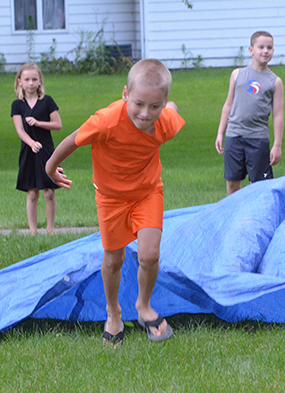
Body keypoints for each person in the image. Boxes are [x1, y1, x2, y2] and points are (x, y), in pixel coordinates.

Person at [45, 59, 185, 348]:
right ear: (125, 94)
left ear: (163, 103)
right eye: (138, 104)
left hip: (147, 193)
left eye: (155, 106)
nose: (145, 114)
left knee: (149, 255)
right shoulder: (106, 121)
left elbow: (173, 113)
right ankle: (113, 312)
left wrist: (169, 109)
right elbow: (72, 140)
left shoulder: (164, 121)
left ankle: (143, 307)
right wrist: (50, 167)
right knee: (114, 259)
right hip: (110, 199)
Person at [215, 31, 284, 195]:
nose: (265, 51)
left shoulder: (275, 81)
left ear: (273, 51)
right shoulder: (237, 74)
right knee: (232, 182)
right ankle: (234, 216)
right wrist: (220, 133)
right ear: (251, 49)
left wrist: (277, 145)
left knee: (259, 186)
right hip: (234, 136)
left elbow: (278, 115)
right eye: (261, 47)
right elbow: (228, 104)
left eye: (269, 47)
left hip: (258, 139)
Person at [11, 62, 62, 235]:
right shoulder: (17, 105)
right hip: (28, 152)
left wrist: (39, 123)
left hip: (46, 150)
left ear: (40, 81)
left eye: (34, 79)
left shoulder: (47, 102)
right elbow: (19, 130)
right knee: (32, 193)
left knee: (49, 191)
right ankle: (33, 232)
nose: (31, 83)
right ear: (20, 81)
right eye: (27, 79)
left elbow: (58, 125)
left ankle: (50, 230)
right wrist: (31, 143)